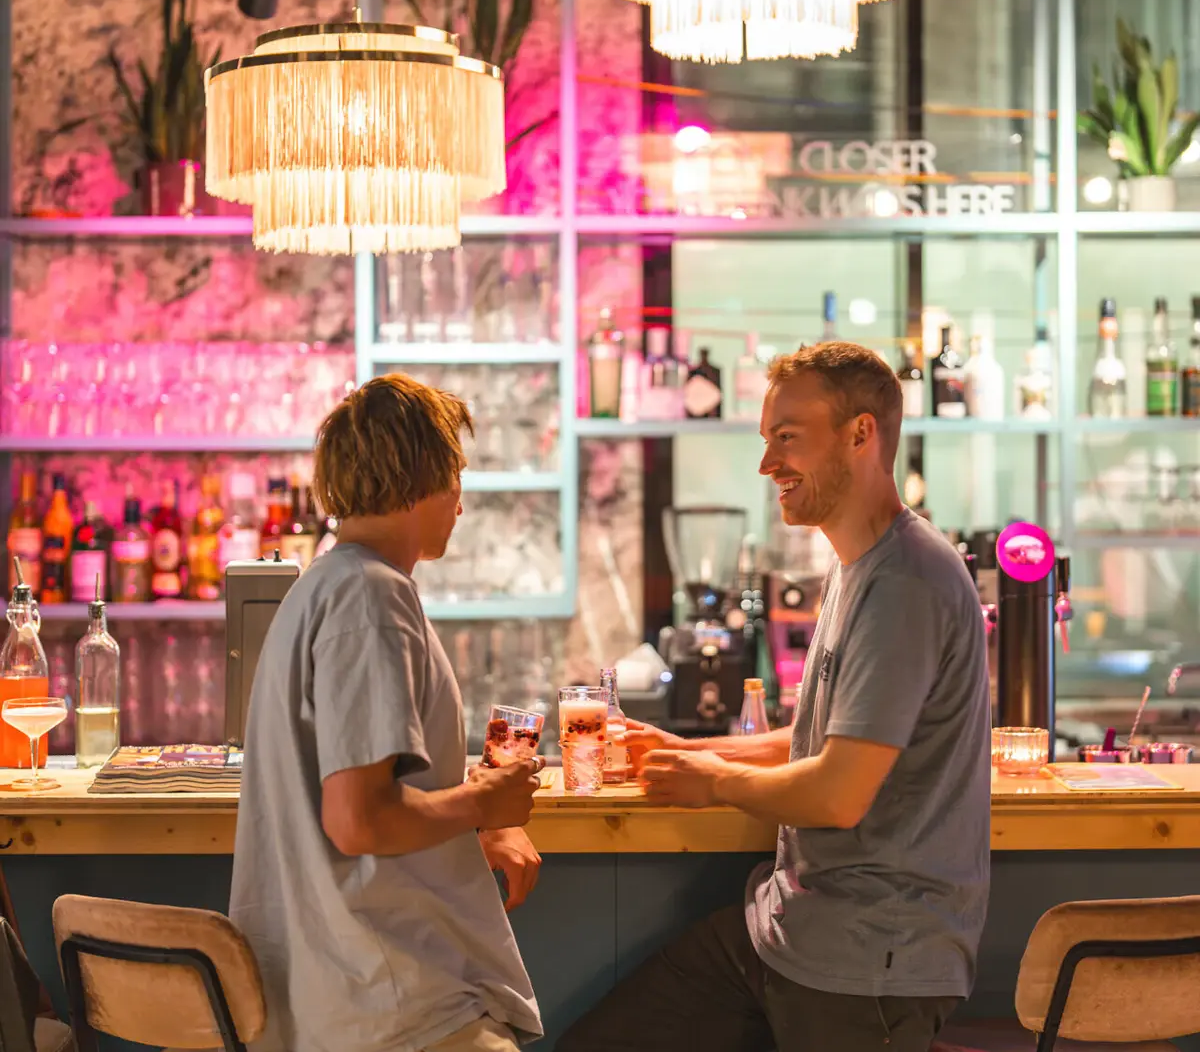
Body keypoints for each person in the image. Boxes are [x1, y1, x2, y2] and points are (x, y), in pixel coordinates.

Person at [558, 341, 990, 1052]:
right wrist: (684, 748)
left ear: (861, 435)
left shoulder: (905, 582)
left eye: (786, 439)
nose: (767, 466)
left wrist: (712, 780)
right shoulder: (859, 567)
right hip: (793, 929)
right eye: (767, 441)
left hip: (870, 959)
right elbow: (816, 742)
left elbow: (836, 792)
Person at [231, 373, 544, 1052]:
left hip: (335, 999)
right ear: (423, 472)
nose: (460, 499)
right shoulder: (371, 599)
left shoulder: (327, 582)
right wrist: (484, 804)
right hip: (386, 1004)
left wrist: (465, 806)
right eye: (455, 471)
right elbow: (358, 818)